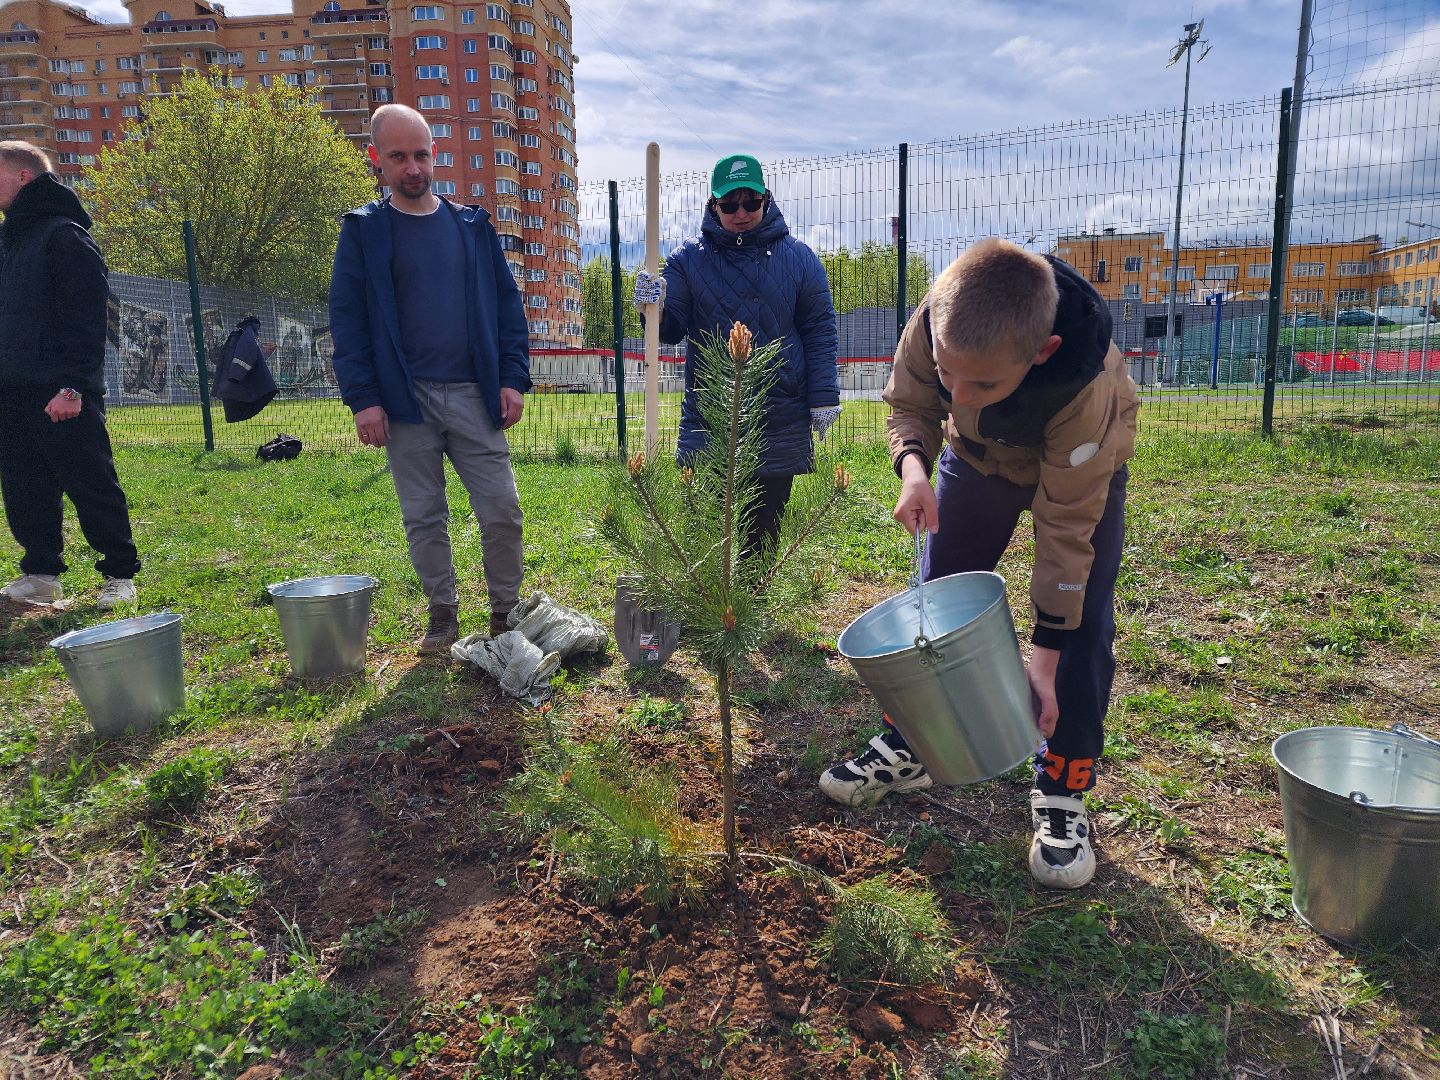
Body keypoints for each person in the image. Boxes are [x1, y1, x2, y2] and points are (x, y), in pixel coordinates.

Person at [819, 238, 1139, 890]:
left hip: (1079, 476)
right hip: (978, 460)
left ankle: (1063, 784)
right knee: (939, 596)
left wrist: (1043, 658)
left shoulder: (1085, 384)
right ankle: (914, 746)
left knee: (1081, 625)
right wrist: (914, 467)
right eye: (949, 371)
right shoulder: (937, 315)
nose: (960, 391)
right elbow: (912, 401)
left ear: (1040, 352)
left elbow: (1065, 531)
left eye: (984, 382)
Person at [329, 104, 530, 654]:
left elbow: (508, 309)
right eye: (398, 157)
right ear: (377, 159)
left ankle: (505, 613)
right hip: (404, 401)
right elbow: (347, 321)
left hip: (474, 394)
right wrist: (364, 399)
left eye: (420, 154)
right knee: (424, 517)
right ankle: (442, 615)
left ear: (433, 153)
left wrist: (512, 378)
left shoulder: (472, 228)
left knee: (501, 510)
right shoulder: (365, 232)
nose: (412, 167)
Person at [633, 154, 840, 548]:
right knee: (708, 542)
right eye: (728, 204)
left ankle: (753, 609)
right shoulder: (687, 260)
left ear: (766, 199)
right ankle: (709, 613)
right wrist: (653, 307)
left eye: (750, 202)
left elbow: (819, 330)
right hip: (709, 418)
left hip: (777, 415)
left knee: (763, 537)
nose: (740, 213)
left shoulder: (798, 259)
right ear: (713, 205)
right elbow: (671, 329)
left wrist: (823, 397)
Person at [0, 141, 140, 610]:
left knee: (89, 481)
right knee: (24, 485)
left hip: (63, 392)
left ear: (24, 177)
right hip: (13, 391)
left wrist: (72, 386)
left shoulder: (64, 235)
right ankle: (41, 574)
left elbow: (88, 320)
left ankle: (119, 573)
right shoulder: (10, 241)